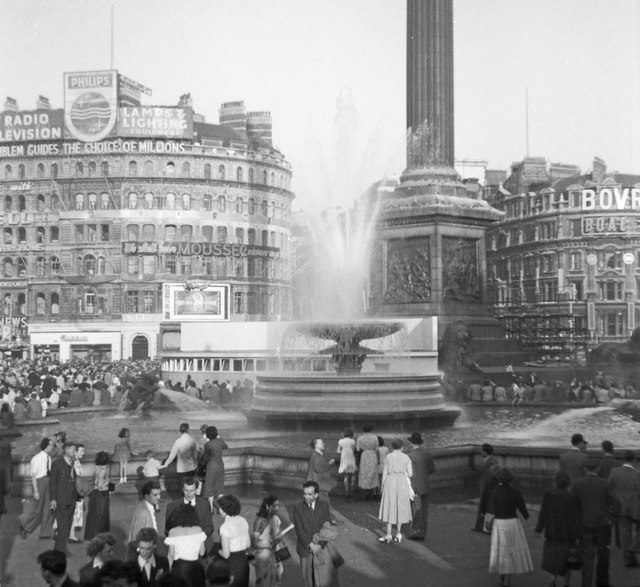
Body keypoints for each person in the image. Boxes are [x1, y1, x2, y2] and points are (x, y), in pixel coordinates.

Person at [571, 457, 621, 587]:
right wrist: (612, 518)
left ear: (585, 468)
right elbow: (617, 502)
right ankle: (602, 582)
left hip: (584, 525)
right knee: (604, 555)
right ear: (598, 468)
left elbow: (572, 504)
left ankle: (586, 583)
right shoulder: (605, 483)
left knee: (587, 557)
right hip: (603, 525)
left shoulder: (577, 484)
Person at [534, 470, 580, 587]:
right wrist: (576, 534)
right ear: (568, 482)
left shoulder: (548, 494)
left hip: (552, 531)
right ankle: (566, 583)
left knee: (553, 557)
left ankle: (553, 579)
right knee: (567, 558)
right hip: (567, 533)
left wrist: (539, 529)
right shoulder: (572, 496)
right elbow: (574, 517)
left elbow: (543, 513)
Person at [488, 467, 533, 586]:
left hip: (499, 523)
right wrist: (530, 524)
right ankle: (507, 579)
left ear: (498, 478)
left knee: (502, 550)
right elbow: (522, 509)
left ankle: (502, 572)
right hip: (513, 522)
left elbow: (491, 511)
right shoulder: (515, 492)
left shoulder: (494, 492)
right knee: (511, 551)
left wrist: (487, 524)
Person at [292, 481, 336, 587]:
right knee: (307, 580)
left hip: (321, 549)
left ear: (316, 495)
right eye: (304, 493)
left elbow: (327, 528)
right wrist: (311, 545)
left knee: (321, 579)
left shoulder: (324, 506)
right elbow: (299, 529)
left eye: (309, 494)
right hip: (305, 549)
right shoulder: (297, 508)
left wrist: (320, 546)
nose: (306, 496)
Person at [608, 450, 640, 567]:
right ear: (634, 460)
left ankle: (627, 559)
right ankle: (633, 549)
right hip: (635, 507)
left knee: (624, 533)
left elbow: (609, 487)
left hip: (620, 507)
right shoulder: (637, 474)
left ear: (623, 459)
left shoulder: (614, 472)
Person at [378, 438, 413, 544]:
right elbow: (410, 474)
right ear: (402, 447)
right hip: (402, 482)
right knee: (400, 506)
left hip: (390, 481)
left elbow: (384, 473)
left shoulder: (388, 457)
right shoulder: (406, 457)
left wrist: (382, 486)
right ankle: (398, 533)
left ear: (392, 446)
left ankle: (388, 534)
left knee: (390, 506)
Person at [165, 477, 214, 553]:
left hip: (200, 547)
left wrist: (196, 539)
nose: (189, 494)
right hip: (180, 549)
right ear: (182, 489)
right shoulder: (172, 507)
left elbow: (210, 528)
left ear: (196, 490)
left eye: (192, 490)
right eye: (186, 490)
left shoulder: (205, 505)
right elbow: (167, 530)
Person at [20, 437, 54, 540]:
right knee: (37, 510)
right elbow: (33, 476)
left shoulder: (49, 458)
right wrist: (35, 491)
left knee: (48, 508)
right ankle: (25, 527)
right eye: (52, 445)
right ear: (47, 446)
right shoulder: (36, 458)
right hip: (40, 482)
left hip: (48, 482)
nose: (53, 447)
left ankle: (45, 533)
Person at [164, 503, 207, 587]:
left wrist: (168, 571)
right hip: (196, 568)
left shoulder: (173, 532)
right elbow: (202, 553)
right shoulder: (198, 530)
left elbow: (171, 555)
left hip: (180, 569)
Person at [50, 441, 80, 552]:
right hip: (61, 499)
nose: (75, 452)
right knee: (62, 527)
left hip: (72, 499)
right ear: (66, 450)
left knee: (67, 526)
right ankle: (58, 551)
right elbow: (52, 482)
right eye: (73, 450)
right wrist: (53, 499)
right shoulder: (57, 464)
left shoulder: (72, 463)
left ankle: (61, 548)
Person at [405, 432, 435, 541]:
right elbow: (432, 469)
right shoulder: (427, 454)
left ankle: (416, 531)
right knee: (424, 509)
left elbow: (408, 472)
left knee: (416, 509)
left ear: (411, 443)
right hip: (425, 485)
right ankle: (422, 532)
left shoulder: (409, 456)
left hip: (414, 486)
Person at [218, 494, 251, 587]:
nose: (218, 510)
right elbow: (248, 544)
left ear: (224, 510)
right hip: (244, 561)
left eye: (220, 508)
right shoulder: (243, 520)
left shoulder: (224, 527)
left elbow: (226, 554)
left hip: (232, 563)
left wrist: (218, 551)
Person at [251, 494, 283, 587]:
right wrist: (268, 545)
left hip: (273, 554)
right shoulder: (259, 521)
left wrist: (280, 538)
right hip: (263, 556)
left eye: (278, 505)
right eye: (274, 506)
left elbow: (278, 535)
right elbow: (255, 543)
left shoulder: (276, 519)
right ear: (267, 506)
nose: (277, 508)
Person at [128, 481, 162, 559]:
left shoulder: (147, 507)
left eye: (159, 494)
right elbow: (135, 538)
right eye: (155, 495)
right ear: (147, 496)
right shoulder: (142, 512)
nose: (159, 497)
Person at [84, 451, 112, 540]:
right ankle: (101, 534)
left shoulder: (97, 468)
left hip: (95, 494)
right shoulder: (103, 470)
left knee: (94, 515)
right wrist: (108, 485)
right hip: (102, 494)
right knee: (102, 515)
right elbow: (100, 485)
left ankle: (93, 534)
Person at [472, 443, 499, 532]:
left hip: (487, 488)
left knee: (485, 508)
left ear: (485, 452)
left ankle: (484, 527)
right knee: (488, 508)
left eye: (482, 450)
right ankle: (484, 527)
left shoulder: (489, 462)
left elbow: (487, 477)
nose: (480, 452)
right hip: (490, 488)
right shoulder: (493, 460)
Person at [202, 426, 228, 510]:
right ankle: (221, 508)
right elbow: (226, 447)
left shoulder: (208, 444)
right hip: (220, 466)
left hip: (211, 467)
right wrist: (220, 438)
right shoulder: (220, 442)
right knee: (219, 487)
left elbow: (205, 458)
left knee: (210, 487)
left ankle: (211, 508)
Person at [306, 438, 336, 511]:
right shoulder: (317, 456)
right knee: (324, 500)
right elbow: (318, 468)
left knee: (320, 500)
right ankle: (328, 518)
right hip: (319, 482)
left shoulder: (317, 454)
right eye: (321, 443)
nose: (323, 444)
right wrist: (330, 463)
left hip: (317, 481)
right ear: (316, 445)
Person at [356, 424, 379, 500]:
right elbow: (377, 448)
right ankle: (374, 492)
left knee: (365, 473)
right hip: (372, 455)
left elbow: (358, 450)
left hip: (364, 456)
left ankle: (366, 492)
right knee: (373, 473)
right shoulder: (374, 437)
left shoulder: (360, 438)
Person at [70, 443, 86, 543]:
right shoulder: (74, 463)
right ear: (75, 452)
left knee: (73, 512)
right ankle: (71, 536)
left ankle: (68, 534)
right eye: (81, 451)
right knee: (74, 512)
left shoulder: (75, 461)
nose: (83, 453)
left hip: (76, 490)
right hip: (76, 491)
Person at [336, 429, 357, 499]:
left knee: (346, 476)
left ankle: (346, 491)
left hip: (344, 457)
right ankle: (352, 490)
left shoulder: (341, 441)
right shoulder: (352, 441)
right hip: (351, 457)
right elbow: (354, 450)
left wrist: (343, 451)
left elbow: (338, 451)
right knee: (353, 474)